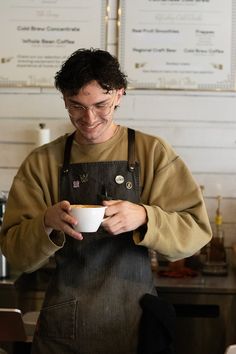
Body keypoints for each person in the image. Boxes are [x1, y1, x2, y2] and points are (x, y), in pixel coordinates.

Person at [0, 48, 212, 354]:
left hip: (135, 320)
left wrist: (145, 217)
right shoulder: (43, 162)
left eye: (101, 105)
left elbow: (195, 232)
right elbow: (14, 253)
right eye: (76, 106)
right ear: (64, 100)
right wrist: (45, 223)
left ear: (120, 95)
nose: (89, 118)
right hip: (64, 326)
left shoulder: (152, 152)